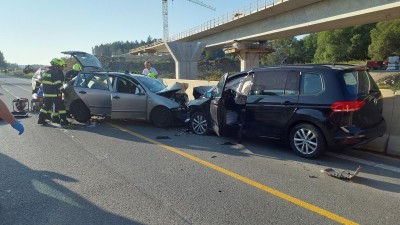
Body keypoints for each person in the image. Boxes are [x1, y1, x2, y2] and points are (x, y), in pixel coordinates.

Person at [38, 58, 69, 126]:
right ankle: (63, 121)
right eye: (59, 66)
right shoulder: (55, 73)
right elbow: (58, 84)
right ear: (56, 65)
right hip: (55, 94)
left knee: (46, 107)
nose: (60, 67)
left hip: (46, 94)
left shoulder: (46, 72)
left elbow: (39, 81)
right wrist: (64, 92)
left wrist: (35, 90)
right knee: (61, 108)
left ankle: (41, 119)